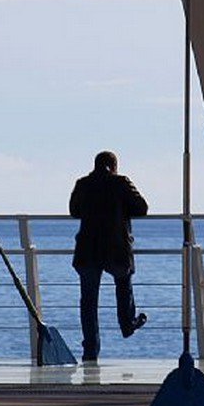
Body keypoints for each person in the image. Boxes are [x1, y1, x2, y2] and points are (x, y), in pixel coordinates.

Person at [69, 150, 149, 362]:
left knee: (88, 302)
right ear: (114, 166)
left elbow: (74, 210)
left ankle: (90, 349)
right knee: (123, 285)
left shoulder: (83, 184)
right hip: (116, 249)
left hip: (87, 250)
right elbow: (142, 208)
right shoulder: (121, 183)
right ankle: (127, 324)